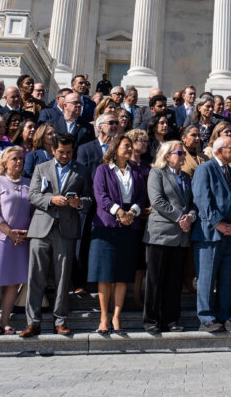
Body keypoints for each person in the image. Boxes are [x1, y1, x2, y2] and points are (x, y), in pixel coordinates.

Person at [21, 133, 93, 338]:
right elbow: (32, 195)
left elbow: (89, 198)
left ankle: (60, 321)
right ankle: (32, 322)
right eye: (61, 152)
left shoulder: (81, 170)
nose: (65, 156)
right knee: (36, 276)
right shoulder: (41, 168)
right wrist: (51, 199)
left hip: (67, 229)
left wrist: (79, 203)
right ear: (53, 150)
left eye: (69, 152)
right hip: (41, 228)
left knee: (63, 278)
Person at [89, 133, 148, 334]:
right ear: (115, 148)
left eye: (131, 146)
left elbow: (141, 197)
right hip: (106, 227)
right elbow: (101, 196)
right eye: (126, 145)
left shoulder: (137, 172)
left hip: (129, 227)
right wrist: (119, 211)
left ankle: (116, 317)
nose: (130, 149)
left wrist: (132, 212)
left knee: (122, 275)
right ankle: (103, 317)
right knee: (105, 275)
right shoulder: (102, 170)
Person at [143, 141, 196, 334]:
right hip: (160, 234)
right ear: (167, 156)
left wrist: (190, 217)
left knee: (174, 281)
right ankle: (151, 320)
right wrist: (179, 217)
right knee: (155, 281)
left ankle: (170, 319)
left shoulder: (186, 177)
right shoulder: (157, 173)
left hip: (181, 236)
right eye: (179, 152)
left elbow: (192, 203)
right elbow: (157, 200)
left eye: (184, 152)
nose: (183, 156)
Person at [191, 135, 231, 333]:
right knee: (206, 277)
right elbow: (202, 199)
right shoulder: (205, 168)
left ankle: (225, 315)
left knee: (227, 277)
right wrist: (218, 223)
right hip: (209, 234)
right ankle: (206, 317)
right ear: (219, 150)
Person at [0, 146, 32, 335]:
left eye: (21, 159)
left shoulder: (28, 182)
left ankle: (5, 320)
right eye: (14, 159)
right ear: (4, 161)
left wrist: (27, 232)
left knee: (13, 282)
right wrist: (9, 232)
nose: (19, 162)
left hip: (22, 240)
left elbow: (34, 210)